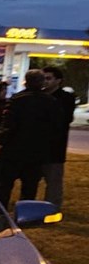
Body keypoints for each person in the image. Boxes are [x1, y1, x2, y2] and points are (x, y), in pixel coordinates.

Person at [0, 69, 60, 206]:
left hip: (14, 149)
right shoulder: (51, 101)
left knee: (5, 184)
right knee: (30, 186)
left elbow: (8, 124)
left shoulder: (16, 100)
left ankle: (1, 210)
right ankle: (26, 212)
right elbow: (55, 127)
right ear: (41, 83)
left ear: (26, 82)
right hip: (37, 151)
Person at [41, 66, 76, 209]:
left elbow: (64, 120)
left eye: (48, 78)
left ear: (58, 80)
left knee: (53, 180)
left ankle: (52, 208)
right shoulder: (38, 95)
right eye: (43, 78)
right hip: (34, 146)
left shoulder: (65, 98)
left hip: (55, 147)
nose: (45, 82)